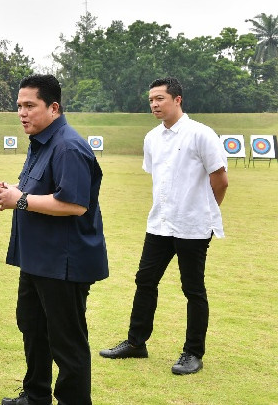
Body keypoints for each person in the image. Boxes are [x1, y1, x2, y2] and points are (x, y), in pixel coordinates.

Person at [0, 74, 108, 405]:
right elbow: (37, 191)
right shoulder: (41, 142)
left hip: (64, 264)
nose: (22, 113)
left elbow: (74, 204)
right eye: (19, 106)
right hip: (37, 259)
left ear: (53, 107)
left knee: (67, 343)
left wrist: (19, 200)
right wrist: (14, 192)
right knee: (33, 328)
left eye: (30, 106)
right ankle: (35, 396)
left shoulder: (68, 146)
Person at [99, 77, 228, 376]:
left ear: (177, 99)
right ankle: (136, 343)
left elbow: (220, 179)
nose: (154, 105)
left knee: (193, 289)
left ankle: (193, 353)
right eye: (151, 101)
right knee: (145, 281)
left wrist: (205, 213)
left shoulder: (201, 134)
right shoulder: (151, 138)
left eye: (160, 98)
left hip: (192, 227)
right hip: (159, 224)